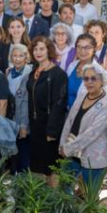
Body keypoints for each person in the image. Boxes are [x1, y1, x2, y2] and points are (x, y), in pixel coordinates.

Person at [59, 61, 107, 185]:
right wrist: (62, 144)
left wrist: (68, 149)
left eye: (94, 78)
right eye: (86, 78)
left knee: (87, 198)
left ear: (102, 80)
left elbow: (92, 133)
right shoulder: (82, 95)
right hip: (72, 153)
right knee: (64, 191)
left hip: (93, 158)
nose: (89, 82)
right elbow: (69, 122)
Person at [26, 37, 68, 184]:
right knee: (37, 165)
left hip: (49, 128)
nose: (38, 52)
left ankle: (53, 200)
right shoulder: (33, 71)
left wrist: (52, 131)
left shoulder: (58, 74)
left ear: (49, 50)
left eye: (42, 49)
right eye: (35, 49)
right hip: (35, 126)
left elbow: (59, 104)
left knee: (52, 166)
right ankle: (39, 200)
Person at [7, 44, 32, 173]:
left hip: (23, 121)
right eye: (15, 56)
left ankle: (23, 187)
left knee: (23, 155)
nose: (17, 59)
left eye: (21, 56)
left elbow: (26, 102)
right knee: (13, 155)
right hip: (11, 120)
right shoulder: (9, 72)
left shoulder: (30, 73)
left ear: (26, 57)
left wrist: (24, 125)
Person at [65, 33, 97, 109]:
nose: (82, 50)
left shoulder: (99, 72)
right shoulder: (72, 66)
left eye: (87, 47)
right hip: (66, 113)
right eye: (79, 47)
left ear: (94, 49)